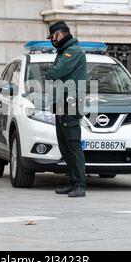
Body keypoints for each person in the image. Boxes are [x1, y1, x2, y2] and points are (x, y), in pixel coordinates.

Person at [45, 21, 87, 198]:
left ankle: (79, 184)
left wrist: (52, 70)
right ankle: (72, 181)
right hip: (62, 101)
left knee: (72, 144)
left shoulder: (73, 52)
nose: (52, 41)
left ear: (60, 35)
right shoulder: (64, 52)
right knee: (64, 144)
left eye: (53, 37)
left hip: (71, 101)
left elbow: (55, 72)